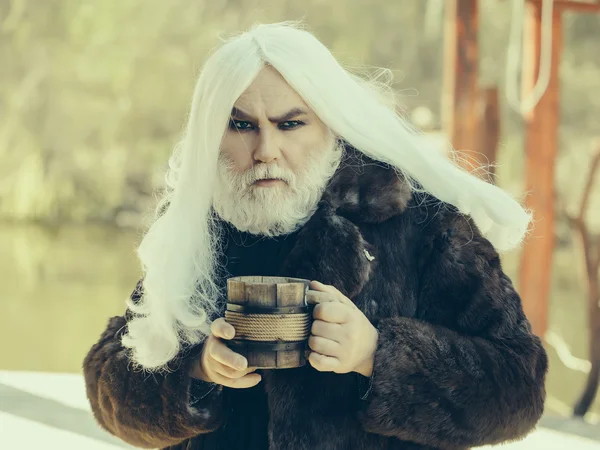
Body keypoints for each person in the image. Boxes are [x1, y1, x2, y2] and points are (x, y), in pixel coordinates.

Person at [83, 22, 548, 450]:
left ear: (330, 124)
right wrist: (196, 369)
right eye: (241, 124)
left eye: (290, 124)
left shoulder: (418, 222)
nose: (266, 150)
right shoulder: (199, 225)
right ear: (213, 133)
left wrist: (378, 354)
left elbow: (520, 388)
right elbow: (111, 383)